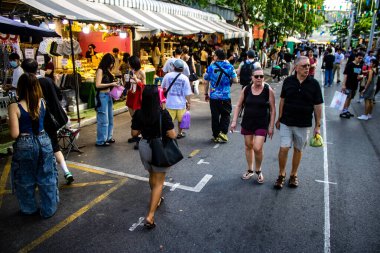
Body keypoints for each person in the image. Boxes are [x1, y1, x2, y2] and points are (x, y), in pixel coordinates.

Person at [8, 73, 58, 218]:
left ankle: (29, 209)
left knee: (25, 179)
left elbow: (14, 134)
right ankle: (48, 209)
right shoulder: (42, 102)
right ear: (37, 87)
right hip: (43, 140)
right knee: (47, 177)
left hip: (25, 143)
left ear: (20, 88)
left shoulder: (14, 106)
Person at [21, 59, 73, 185]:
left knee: (42, 149)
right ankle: (66, 171)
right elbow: (59, 95)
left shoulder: (29, 85)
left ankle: (48, 175)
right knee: (54, 146)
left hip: (39, 121)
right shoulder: (47, 80)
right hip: (55, 119)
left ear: (24, 70)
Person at [131, 86, 177, 228]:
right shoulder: (163, 114)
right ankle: (150, 216)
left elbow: (134, 134)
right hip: (159, 147)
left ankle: (156, 198)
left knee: (151, 173)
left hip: (144, 146)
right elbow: (173, 135)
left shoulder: (138, 113)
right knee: (159, 182)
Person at [274, 56, 323, 188]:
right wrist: (279, 118)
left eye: (308, 66)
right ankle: (281, 174)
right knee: (284, 148)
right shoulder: (288, 81)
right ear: (296, 68)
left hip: (303, 124)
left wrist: (317, 126)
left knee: (298, 149)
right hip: (286, 122)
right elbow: (282, 100)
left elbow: (318, 106)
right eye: (304, 66)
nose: (307, 68)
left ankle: (293, 175)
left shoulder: (314, 84)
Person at [230, 68, 276, 183]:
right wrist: (234, 121)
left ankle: (258, 170)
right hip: (248, 121)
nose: (259, 78)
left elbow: (273, 109)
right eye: (256, 76)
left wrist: (271, 126)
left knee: (257, 147)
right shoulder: (246, 89)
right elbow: (239, 105)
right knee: (248, 146)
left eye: (261, 76)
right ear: (252, 78)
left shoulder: (268, 89)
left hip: (262, 123)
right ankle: (250, 170)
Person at [204, 49, 238, 143]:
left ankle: (215, 136)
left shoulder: (210, 67)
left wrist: (206, 94)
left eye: (214, 55)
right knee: (226, 114)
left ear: (217, 57)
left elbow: (206, 81)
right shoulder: (230, 66)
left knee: (215, 116)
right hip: (225, 96)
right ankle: (223, 133)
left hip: (214, 97)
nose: (213, 57)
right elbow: (236, 80)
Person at [162, 59, 192, 139]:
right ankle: (179, 133)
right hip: (181, 104)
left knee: (169, 120)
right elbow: (187, 93)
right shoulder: (185, 78)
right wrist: (189, 103)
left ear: (173, 67)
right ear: (182, 69)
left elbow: (162, 88)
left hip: (169, 103)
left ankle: (169, 133)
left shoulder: (167, 76)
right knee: (180, 120)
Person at [95, 53, 118, 146]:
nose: (112, 65)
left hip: (108, 95)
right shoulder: (100, 70)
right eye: (111, 62)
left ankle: (108, 137)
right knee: (103, 119)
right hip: (102, 96)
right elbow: (98, 85)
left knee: (110, 118)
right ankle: (101, 140)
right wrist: (111, 84)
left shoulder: (107, 70)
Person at [126, 56, 145, 146]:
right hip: (131, 96)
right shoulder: (130, 71)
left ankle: (139, 137)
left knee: (138, 118)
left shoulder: (141, 72)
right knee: (133, 118)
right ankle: (135, 135)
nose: (128, 64)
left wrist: (137, 80)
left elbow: (144, 86)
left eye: (129, 62)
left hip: (138, 97)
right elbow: (128, 85)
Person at [340, 52, 364, 118]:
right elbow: (345, 75)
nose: (360, 59)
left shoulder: (360, 65)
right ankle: (343, 112)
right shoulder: (350, 64)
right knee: (347, 98)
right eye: (359, 58)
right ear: (355, 57)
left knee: (350, 98)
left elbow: (359, 74)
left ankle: (346, 110)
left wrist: (361, 76)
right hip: (348, 84)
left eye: (361, 58)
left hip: (355, 84)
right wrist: (343, 85)